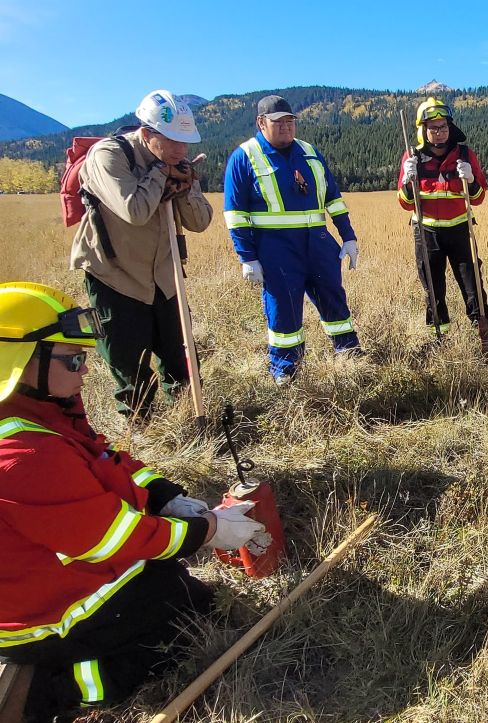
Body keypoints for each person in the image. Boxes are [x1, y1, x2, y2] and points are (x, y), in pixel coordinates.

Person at [0, 282, 263, 719]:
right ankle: (53, 688)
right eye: (75, 358)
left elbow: (103, 459)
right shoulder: (21, 456)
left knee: (181, 592)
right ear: (20, 363)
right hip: (42, 614)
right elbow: (109, 538)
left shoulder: (41, 408)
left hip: (51, 568)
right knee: (182, 623)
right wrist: (208, 531)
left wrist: (166, 498)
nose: (87, 370)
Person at [70, 89, 212, 420]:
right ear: (147, 134)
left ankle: (188, 426)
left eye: (185, 141)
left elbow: (200, 222)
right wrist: (160, 175)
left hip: (165, 277)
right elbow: (134, 210)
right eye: (172, 140)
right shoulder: (109, 156)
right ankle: (141, 440)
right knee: (130, 370)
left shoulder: (179, 162)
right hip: (117, 277)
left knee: (181, 360)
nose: (181, 149)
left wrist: (186, 185)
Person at [224, 95, 362, 383]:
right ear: (261, 123)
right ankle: (285, 370)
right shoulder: (244, 157)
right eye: (279, 122)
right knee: (284, 311)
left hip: (319, 245)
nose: (286, 127)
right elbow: (236, 214)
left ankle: (349, 355)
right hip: (276, 249)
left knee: (335, 301)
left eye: (290, 121)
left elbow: (333, 198)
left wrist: (348, 236)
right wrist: (247, 257)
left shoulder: (309, 152)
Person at [397, 97, 488, 347]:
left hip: (460, 229)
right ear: (423, 130)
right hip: (427, 231)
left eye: (443, 127)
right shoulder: (412, 157)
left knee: (473, 288)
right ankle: (440, 342)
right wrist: (409, 181)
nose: (439, 133)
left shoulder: (465, 155)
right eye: (433, 128)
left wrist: (471, 180)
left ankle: (484, 340)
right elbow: (406, 203)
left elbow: (479, 197)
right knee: (433, 290)